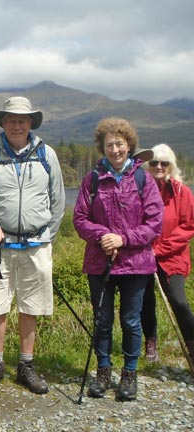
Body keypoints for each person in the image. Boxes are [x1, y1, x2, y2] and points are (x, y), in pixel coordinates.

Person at [0, 96, 65, 395]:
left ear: (31, 123)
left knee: (31, 304)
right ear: (3, 123)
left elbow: (58, 202)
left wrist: (47, 235)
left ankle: (26, 365)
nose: (17, 124)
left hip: (37, 245)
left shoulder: (47, 155)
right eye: (12, 119)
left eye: (23, 119)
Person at [73, 117, 163, 401]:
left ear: (129, 145)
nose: (115, 149)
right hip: (100, 263)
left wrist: (123, 239)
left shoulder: (143, 179)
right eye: (109, 144)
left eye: (120, 144)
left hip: (136, 264)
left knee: (131, 321)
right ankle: (103, 371)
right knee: (102, 320)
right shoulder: (93, 179)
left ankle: (129, 374)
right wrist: (103, 236)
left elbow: (155, 223)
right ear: (102, 147)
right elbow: (79, 219)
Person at [140, 143, 194, 365]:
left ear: (171, 166)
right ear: (148, 165)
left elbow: (188, 227)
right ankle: (150, 344)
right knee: (145, 301)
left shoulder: (182, 192)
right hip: (143, 255)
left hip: (173, 257)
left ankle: (192, 345)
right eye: (154, 163)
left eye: (164, 163)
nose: (159, 166)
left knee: (180, 302)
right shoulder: (140, 189)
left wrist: (159, 250)